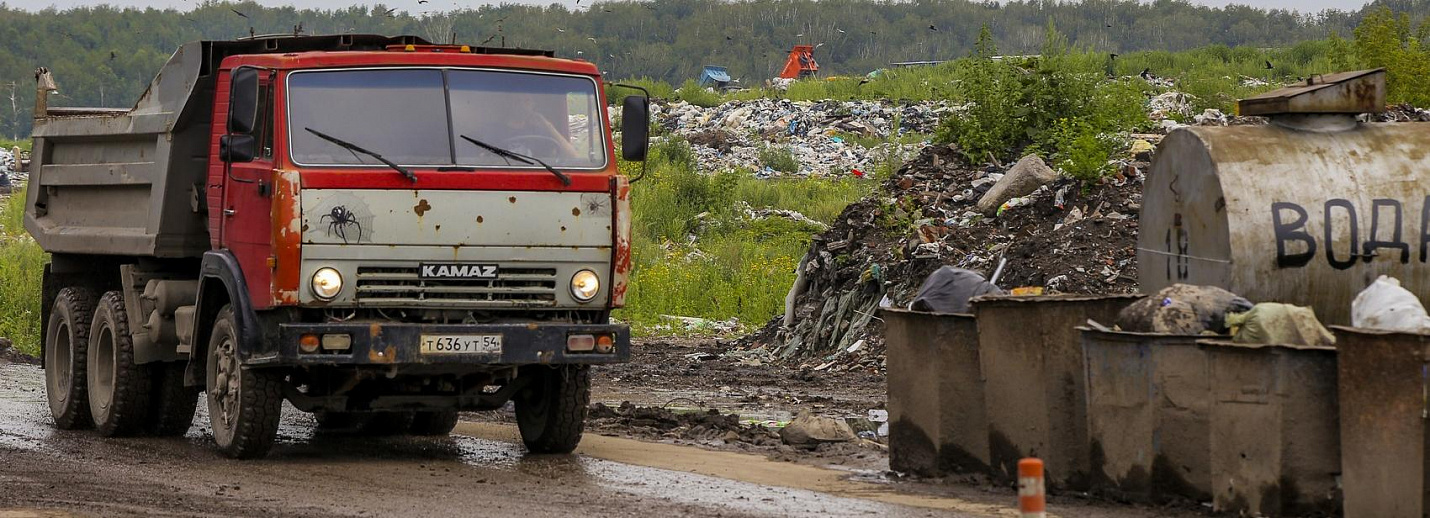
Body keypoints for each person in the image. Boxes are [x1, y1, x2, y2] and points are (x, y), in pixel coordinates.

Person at [495, 92, 580, 159]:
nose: (522, 105)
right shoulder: (494, 131)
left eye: (527, 101)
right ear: (509, 105)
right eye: (517, 101)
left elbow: (572, 156)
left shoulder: (540, 133)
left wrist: (548, 125)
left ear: (533, 105)